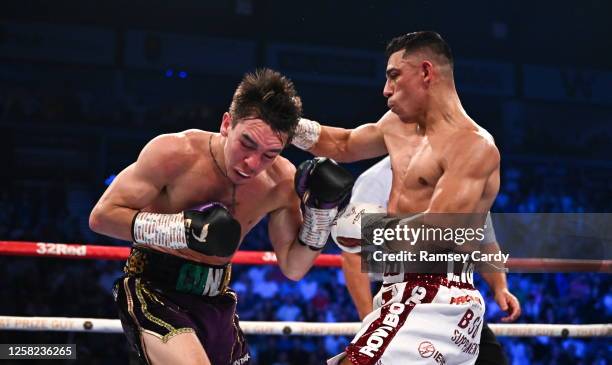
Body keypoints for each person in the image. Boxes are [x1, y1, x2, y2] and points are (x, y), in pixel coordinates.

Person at [89, 69, 354, 365]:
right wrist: (179, 230)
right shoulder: (175, 152)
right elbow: (102, 217)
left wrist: (320, 217)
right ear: (227, 123)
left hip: (217, 300)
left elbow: (293, 267)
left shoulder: (281, 181)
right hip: (154, 288)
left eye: (269, 154)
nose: (253, 163)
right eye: (247, 143)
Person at [292, 31, 502, 364]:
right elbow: (344, 144)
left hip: (437, 295)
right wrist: (286, 125)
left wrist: (367, 231)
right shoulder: (396, 125)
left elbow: (440, 231)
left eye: (394, 76)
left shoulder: (473, 146)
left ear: (426, 73)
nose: (386, 90)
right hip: (394, 291)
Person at [334, 156, 521, 365]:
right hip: (404, 295)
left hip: (459, 300)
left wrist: (500, 287)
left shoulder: (464, 181)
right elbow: (353, 254)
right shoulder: (377, 180)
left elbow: (486, 243)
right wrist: (368, 317)